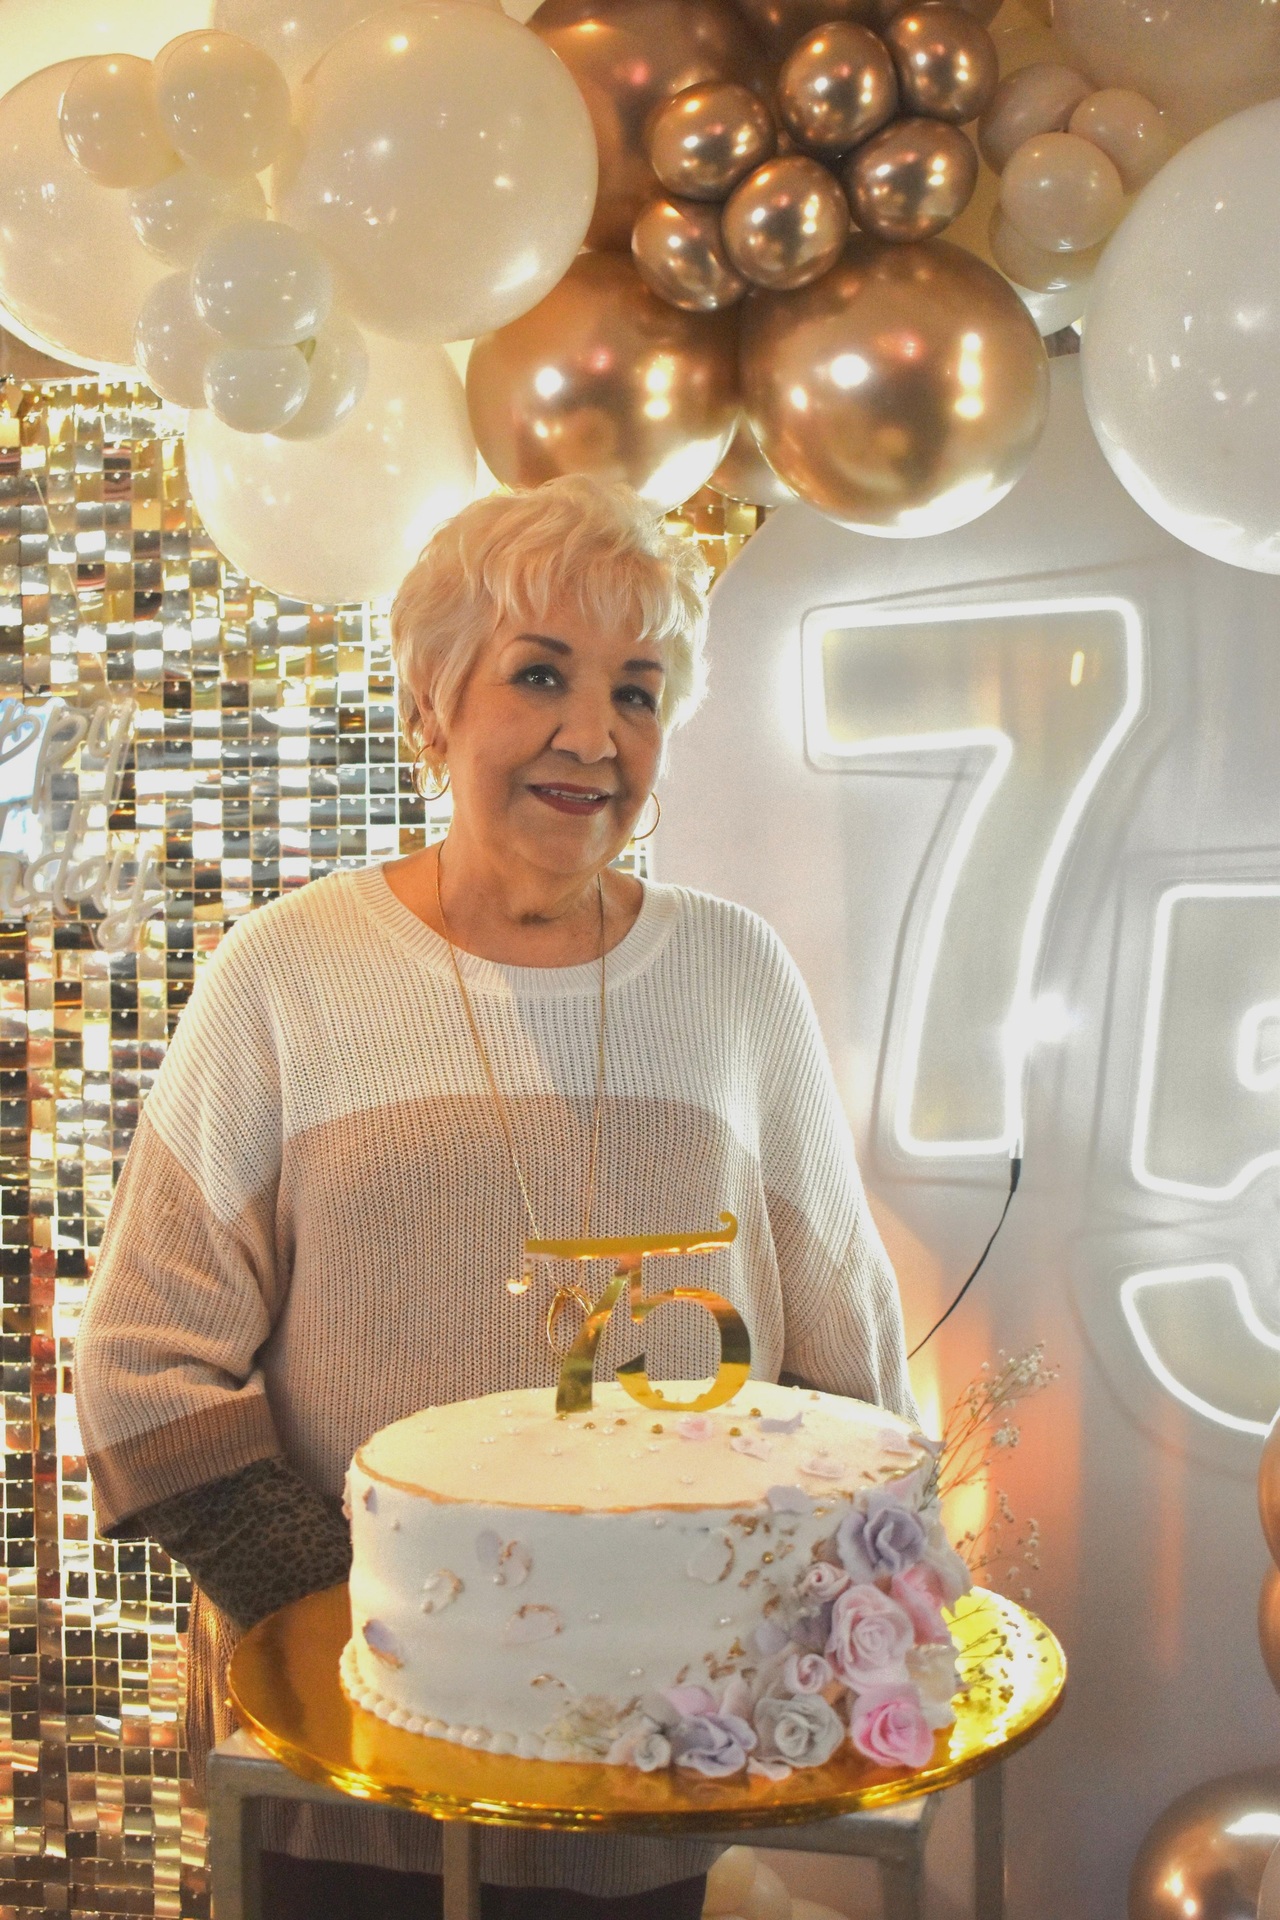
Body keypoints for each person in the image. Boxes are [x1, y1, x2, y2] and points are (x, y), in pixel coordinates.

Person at [74, 474, 918, 1920]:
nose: (594, 735)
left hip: (648, 1778)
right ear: (434, 701)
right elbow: (142, 1369)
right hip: (353, 1784)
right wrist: (389, 1635)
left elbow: (849, 1370)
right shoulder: (284, 976)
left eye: (637, 690)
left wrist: (817, 1624)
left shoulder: (736, 978)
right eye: (540, 675)